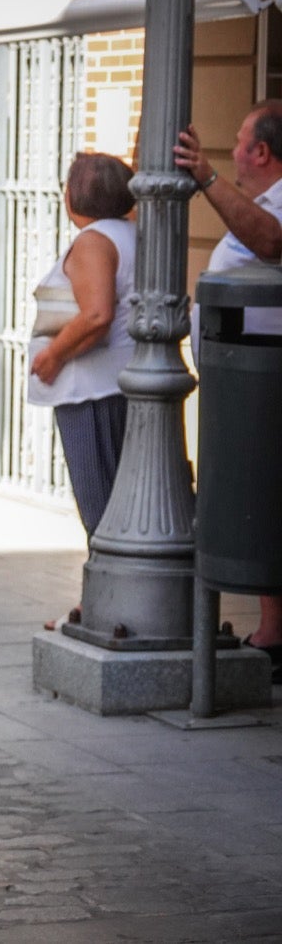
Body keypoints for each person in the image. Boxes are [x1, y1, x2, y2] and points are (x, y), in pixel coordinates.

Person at [175, 99, 282, 679]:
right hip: (245, 376)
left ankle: (273, 631)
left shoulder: (276, 203)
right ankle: (273, 629)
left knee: (260, 494)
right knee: (258, 495)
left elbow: (269, 242)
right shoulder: (265, 198)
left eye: (240, 141)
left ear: (261, 151)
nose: (234, 151)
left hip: (264, 382)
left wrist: (207, 177)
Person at [27, 153, 138, 632]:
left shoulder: (93, 241)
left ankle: (108, 611)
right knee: (117, 505)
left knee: (100, 508)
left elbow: (96, 315)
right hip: (115, 386)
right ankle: (98, 602)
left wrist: (52, 357)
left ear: (71, 197)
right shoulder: (132, 235)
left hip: (91, 392)